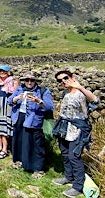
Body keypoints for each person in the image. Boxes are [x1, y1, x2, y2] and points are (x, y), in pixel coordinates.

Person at [51, 70, 99, 198]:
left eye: (65, 78)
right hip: (64, 128)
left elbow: (95, 100)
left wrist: (80, 87)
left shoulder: (81, 93)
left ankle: (78, 186)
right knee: (65, 153)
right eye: (60, 80)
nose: (63, 81)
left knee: (74, 156)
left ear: (73, 77)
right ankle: (68, 177)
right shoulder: (65, 93)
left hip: (78, 129)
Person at [8, 71, 54, 178]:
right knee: (19, 141)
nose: (29, 82)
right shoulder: (20, 89)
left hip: (34, 120)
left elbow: (50, 107)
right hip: (19, 118)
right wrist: (16, 98)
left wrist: (39, 101)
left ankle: (38, 168)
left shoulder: (43, 91)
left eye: (32, 80)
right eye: (26, 80)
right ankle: (20, 162)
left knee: (35, 144)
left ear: (35, 81)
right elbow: (10, 101)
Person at [0, 65, 19, 159]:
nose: (2, 73)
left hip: (7, 106)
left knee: (4, 129)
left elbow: (15, 95)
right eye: (0, 71)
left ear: (8, 72)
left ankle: (5, 149)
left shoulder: (13, 82)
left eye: (4, 71)